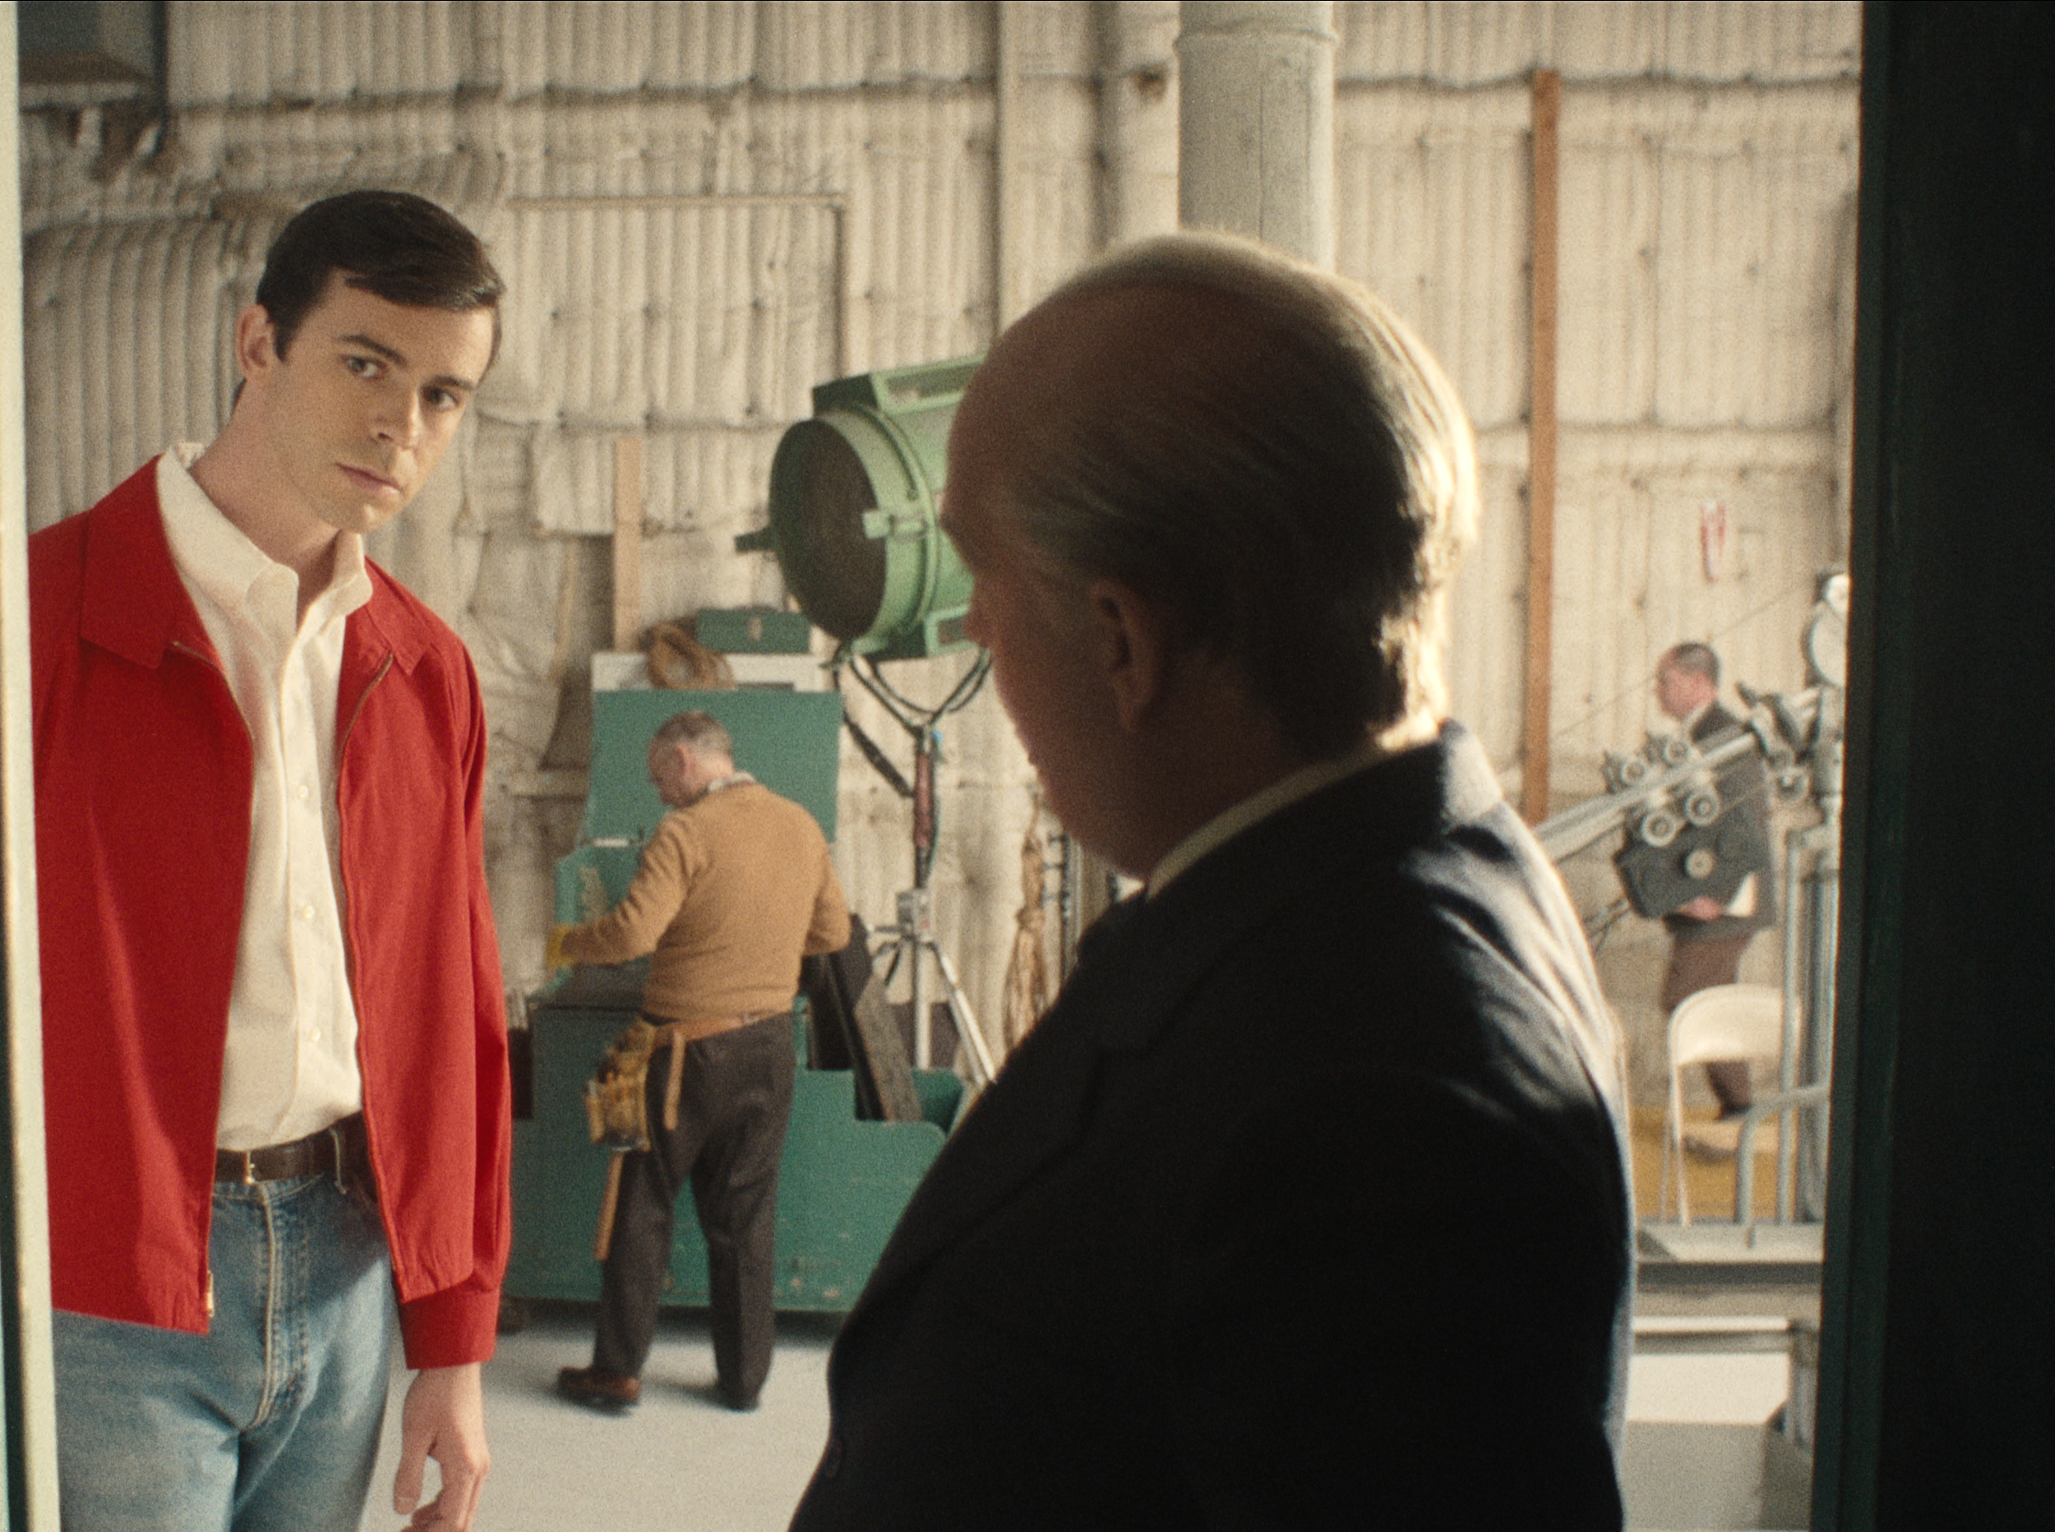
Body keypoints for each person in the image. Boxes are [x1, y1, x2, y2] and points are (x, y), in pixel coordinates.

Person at [787, 234, 1634, 1529]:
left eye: (988, 581)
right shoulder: (1366, 884)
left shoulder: (1378, 1101)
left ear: (1124, 640)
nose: (972, 629)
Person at [31, 189, 509, 1532]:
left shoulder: (427, 671)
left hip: (349, 1260)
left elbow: (456, 1012)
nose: (399, 426)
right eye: (365, 362)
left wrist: (454, 1339)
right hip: (107, 1289)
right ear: (257, 343)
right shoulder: (33, 623)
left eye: (442, 396)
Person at [546, 710, 850, 1415]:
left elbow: (629, 935)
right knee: (746, 1216)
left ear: (685, 759)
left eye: (659, 777)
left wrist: (567, 942)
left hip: (685, 1054)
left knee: (643, 1206)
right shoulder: (800, 825)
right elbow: (832, 930)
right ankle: (744, 1380)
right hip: (771, 1049)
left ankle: (618, 1373)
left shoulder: (685, 832)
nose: (659, 794)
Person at [1637, 642, 1778, 1122]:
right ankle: (1739, 1110)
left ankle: (1740, 1110)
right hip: (1708, 895)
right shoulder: (1699, 735)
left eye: (1667, 680)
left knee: (1688, 999)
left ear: (1699, 683)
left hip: (1725, 901)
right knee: (1706, 998)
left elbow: (1747, 821)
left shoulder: (1724, 736)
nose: (1658, 691)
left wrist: (1713, 896)